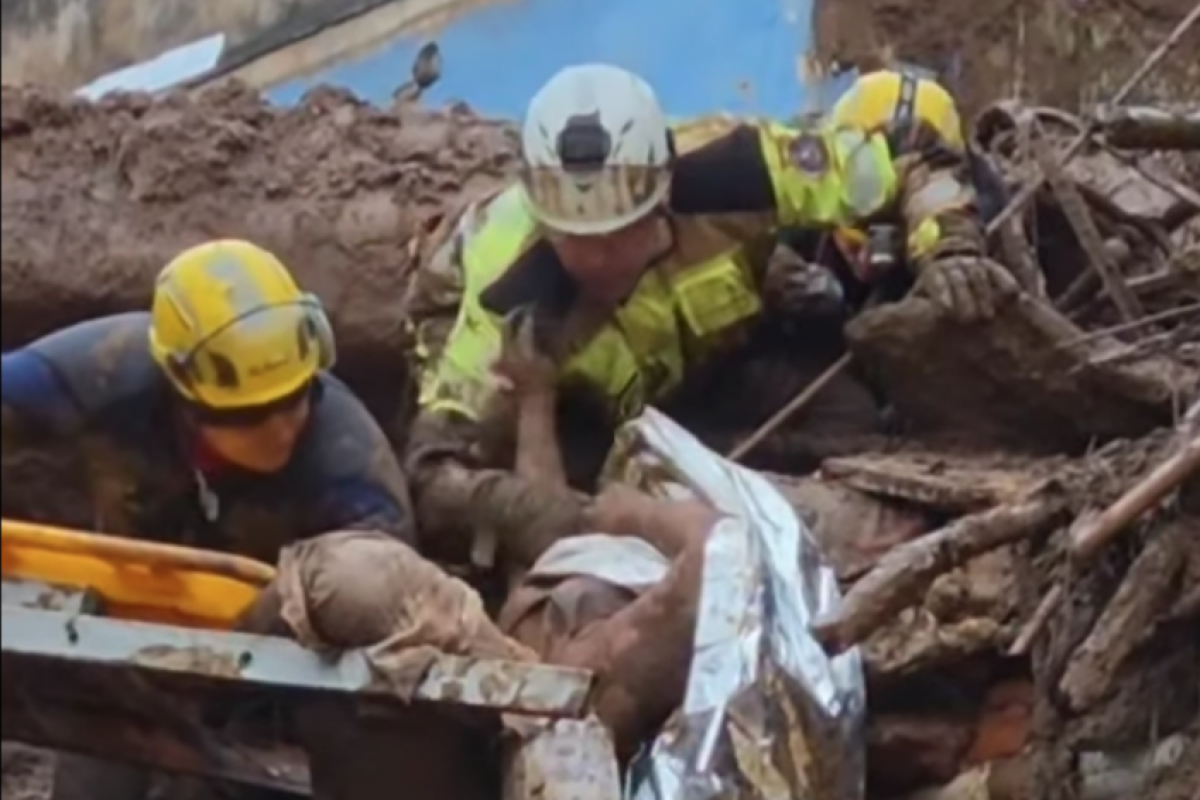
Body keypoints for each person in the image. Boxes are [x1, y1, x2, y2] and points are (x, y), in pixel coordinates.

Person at [403, 63, 1019, 571]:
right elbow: (434, 474)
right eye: (575, 241)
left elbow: (909, 155)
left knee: (854, 418)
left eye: (619, 234)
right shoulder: (509, 290)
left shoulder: (736, 167)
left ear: (664, 191)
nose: (597, 259)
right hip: (587, 408)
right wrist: (540, 510)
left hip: (713, 359)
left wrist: (949, 246)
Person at [1, 240, 528, 800]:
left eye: (294, 400)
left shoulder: (352, 470)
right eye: (250, 416)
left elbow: (381, 623)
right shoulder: (109, 366)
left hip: (287, 663)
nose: (280, 429)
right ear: (183, 393)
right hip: (119, 631)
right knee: (94, 781)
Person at [491, 313, 718, 762]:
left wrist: (536, 402)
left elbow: (544, 533)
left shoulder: (544, 644)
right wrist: (643, 515)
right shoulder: (607, 664)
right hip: (694, 524)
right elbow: (723, 552)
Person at [780, 68, 1018, 319]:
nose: (869, 257)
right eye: (861, 227)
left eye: (895, 234)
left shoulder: (987, 208)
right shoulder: (799, 185)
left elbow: (939, 198)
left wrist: (950, 249)